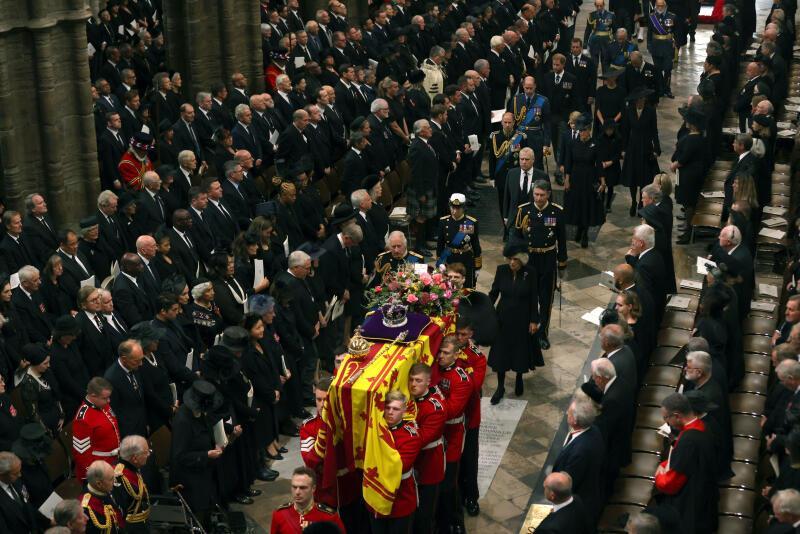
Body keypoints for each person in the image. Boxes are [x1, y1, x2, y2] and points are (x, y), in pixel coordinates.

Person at [509, 180, 567, 349]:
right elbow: (516, 237)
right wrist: (516, 258)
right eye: (536, 194)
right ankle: (527, 328)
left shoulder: (557, 212)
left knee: (546, 298)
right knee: (526, 295)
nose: (539, 198)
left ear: (548, 194)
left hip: (548, 259)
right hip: (529, 260)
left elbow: (562, 239)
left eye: (542, 195)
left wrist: (562, 262)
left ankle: (543, 333)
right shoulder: (524, 210)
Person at [654, 393, 718, 533]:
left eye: (666, 418)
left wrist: (659, 474)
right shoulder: (702, 426)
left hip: (690, 502)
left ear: (677, 415)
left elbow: (670, 484)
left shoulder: (688, 440)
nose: (666, 422)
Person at [488, 246, 542, 404]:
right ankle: (500, 386)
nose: (512, 262)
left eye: (516, 259)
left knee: (520, 350)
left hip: (522, 318)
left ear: (522, 260)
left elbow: (534, 297)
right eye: (510, 259)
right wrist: (486, 309)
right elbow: (494, 292)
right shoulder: (501, 270)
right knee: (501, 352)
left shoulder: (530, 272)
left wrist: (534, 320)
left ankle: (519, 377)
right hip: (503, 318)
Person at [552, 394, 605, 523]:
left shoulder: (579, 452)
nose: (566, 414)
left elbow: (569, 483)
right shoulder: (593, 430)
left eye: (569, 413)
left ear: (575, 421)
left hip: (580, 503)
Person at [409, 363, 447, 532]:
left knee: (426, 513)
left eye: (418, 380)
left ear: (428, 382)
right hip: (411, 465)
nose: (413, 384)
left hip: (429, 463)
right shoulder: (408, 400)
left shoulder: (435, 407)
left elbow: (421, 439)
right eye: (411, 380)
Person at [564, 114, 605, 248]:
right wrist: (567, 179)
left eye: (583, 130)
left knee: (587, 205)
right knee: (577, 205)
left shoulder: (595, 144)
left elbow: (598, 165)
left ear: (589, 130)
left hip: (589, 178)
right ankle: (579, 228)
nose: (581, 133)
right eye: (580, 131)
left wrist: (602, 181)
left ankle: (585, 233)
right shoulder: (572, 143)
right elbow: (568, 162)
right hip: (575, 178)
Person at [72, 377, 121, 481]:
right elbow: (81, 455)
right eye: (105, 398)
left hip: (114, 461)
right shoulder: (83, 419)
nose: (108, 401)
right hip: (100, 468)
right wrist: (96, 476)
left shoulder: (103, 404)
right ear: (93, 396)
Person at [621, 86, 660, 215]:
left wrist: (656, 148)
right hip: (632, 146)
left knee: (644, 179)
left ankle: (640, 202)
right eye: (639, 99)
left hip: (646, 146)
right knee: (633, 177)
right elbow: (625, 131)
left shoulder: (650, 111)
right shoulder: (629, 111)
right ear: (635, 100)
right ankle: (633, 202)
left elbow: (654, 130)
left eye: (643, 99)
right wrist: (623, 149)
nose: (641, 101)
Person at [270, 467, 345, 533]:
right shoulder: (279, 514)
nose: (297, 492)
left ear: (313, 488)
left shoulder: (329, 517)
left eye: (303, 488)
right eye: (294, 487)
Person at [671, 106, 707, 243]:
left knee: (689, 204)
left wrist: (675, 164)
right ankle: (688, 227)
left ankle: (688, 232)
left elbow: (684, 157)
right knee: (688, 204)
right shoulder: (698, 138)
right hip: (692, 174)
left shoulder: (692, 139)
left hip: (689, 176)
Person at [436, 194, 482, 288]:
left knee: (467, 288)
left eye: (458, 208)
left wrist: (478, 267)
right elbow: (440, 244)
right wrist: (440, 262)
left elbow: (475, 244)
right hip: (450, 258)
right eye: (452, 207)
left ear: (463, 208)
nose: (454, 211)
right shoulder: (444, 222)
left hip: (465, 259)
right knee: (448, 288)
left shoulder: (471, 222)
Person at [19, 343, 64, 436]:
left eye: (48, 362)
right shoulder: (28, 384)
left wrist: (62, 415)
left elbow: (56, 395)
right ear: (35, 364)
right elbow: (33, 413)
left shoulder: (47, 372)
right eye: (45, 363)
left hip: (57, 416)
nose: (48, 365)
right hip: (46, 423)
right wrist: (46, 430)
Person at [113, 435, 151, 532]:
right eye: (146, 452)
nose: (148, 455)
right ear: (134, 458)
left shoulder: (134, 469)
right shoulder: (119, 477)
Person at [0, 452, 39, 533]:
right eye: (15, 473)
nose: (20, 475)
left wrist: (48, 521)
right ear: (2, 475)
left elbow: (28, 504)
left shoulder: (17, 480)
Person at [82, 460, 123, 534]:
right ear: (99, 484)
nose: (114, 481)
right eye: (111, 479)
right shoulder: (85, 510)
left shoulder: (105, 488)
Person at [647, 0, 677, 98]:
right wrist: (649, 45)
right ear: (655, 6)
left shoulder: (672, 16)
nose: (660, 7)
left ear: (665, 6)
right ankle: (660, 89)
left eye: (662, 6)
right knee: (658, 69)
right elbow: (649, 32)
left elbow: (677, 31)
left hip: (668, 46)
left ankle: (667, 89)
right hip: (656, 46)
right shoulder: (652, 17)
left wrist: (676, 44)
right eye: (658, 6)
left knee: (668, 69)